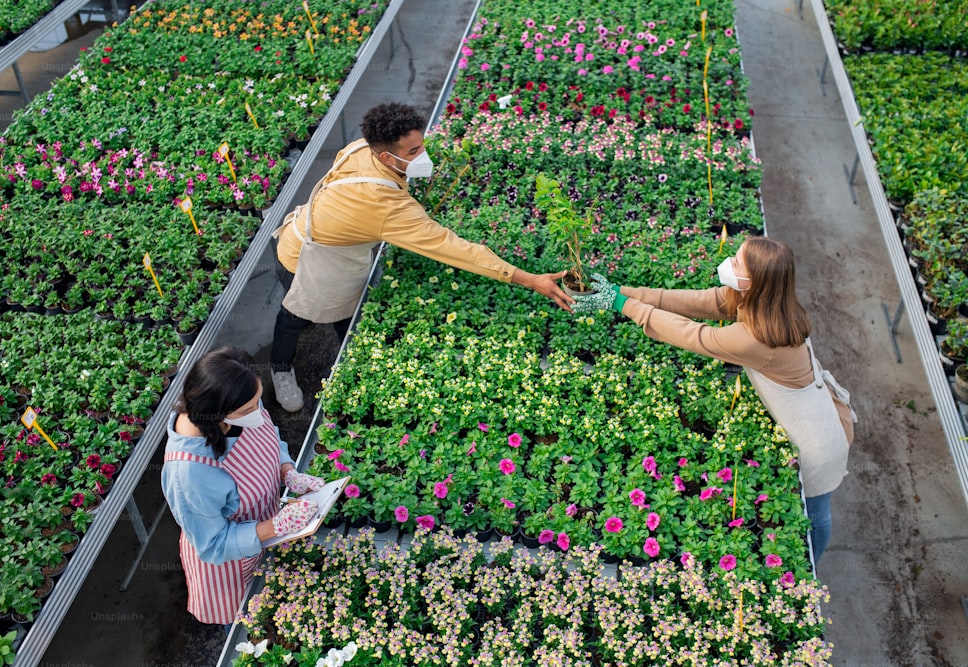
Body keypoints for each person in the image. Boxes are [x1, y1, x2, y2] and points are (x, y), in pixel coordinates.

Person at [268, 102, 573, 411]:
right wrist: (528, 279)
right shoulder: (388, 209)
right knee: (295, 316)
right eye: (413, 152)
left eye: (421, 146)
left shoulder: (361, 147)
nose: (422, 156)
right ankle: (281, 369)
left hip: (325, 240)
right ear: (386, 156)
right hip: (302, 259)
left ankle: (349, 358)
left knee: (339, 311)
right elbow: (456, 249)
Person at [573, 237, 856, 565]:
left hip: (819, 442)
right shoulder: (770, 304)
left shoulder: (754, 338)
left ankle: (812, 564)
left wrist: (622, 305)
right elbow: (698, 302)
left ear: (757, 282)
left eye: (738, 264)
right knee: (812, 508)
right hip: (817, 413)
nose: (729, 265)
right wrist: (623, 291)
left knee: (815, 512)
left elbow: (693, 335)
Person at [161, 347, 326, 627]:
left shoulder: (240, 399)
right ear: (215, 413)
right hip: (230, 566)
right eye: (248, 409)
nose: (257, 412)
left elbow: (268, 437)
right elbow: (213, 544)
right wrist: (277, 526)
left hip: (269, 528)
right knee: (247, 625)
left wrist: (286, 470)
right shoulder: (189, 472)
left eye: (257, 401)